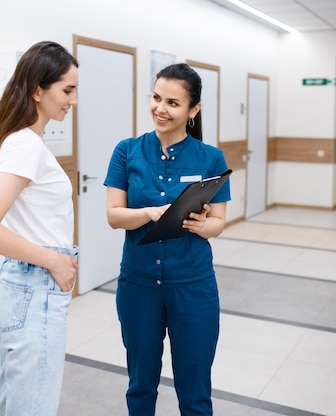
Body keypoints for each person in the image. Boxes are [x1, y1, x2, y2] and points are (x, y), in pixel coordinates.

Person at [104, 63, 231, 416]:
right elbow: (114, 215)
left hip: (193, 285)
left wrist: (199, 224)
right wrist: (150, 213)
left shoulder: (211, 158)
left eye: (173, 103)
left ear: (193, 110)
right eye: (157, 98)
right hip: (138, 284)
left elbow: (219, 222)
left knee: (195, 389)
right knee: (141, 384)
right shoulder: (127, 151)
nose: (160, 108)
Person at [0, 40, 79, 416]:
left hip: (26, 288)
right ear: (37, 90)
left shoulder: (26, 142)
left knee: (18, 405)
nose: (72, 100)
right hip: (34, 288)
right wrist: (55, 261)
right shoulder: (26, 145)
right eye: (67, 90)